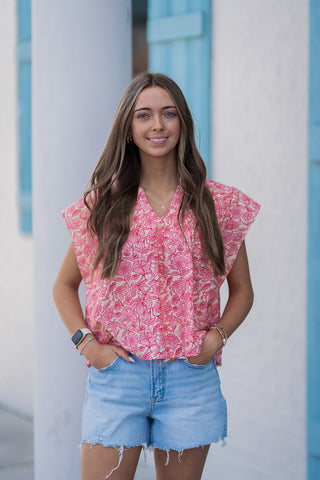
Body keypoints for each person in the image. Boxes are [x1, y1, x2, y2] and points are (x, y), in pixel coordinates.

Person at [53, 72, 260, 480]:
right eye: (144, 115)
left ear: (182, 122)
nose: (158, 125)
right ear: (129, 129)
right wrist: (87, 345)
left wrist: (215, 338)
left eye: (168, 114)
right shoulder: (103, 205)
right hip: (117, 379)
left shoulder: (215, 203)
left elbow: (242, 292)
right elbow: (63, 286)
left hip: (190, 378)